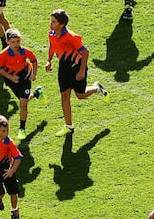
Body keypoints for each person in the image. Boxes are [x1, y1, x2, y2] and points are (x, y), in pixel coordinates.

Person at [45, 9, 109, 137]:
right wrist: (49, 61)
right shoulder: (51, 34)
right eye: (51, 21)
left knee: (80, 95)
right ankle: (69, 126)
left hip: (76, 68)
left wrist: (81, 71)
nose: (50, 24)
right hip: (63, 68)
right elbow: (52, 47)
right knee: (64, 95)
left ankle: (96, 88)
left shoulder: (71, 37)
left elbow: (85, 52)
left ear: (62, 24)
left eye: (53, 22)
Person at [0, 28, 46, 140]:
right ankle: (37, 93)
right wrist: (11, 77)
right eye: (13, 42)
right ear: (7, 42)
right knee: (24, 99)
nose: (16, 44)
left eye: (18, 41)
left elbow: (34, 60)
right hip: (11, 78)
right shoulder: (2, 55)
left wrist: (33, 74)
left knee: (23, 103)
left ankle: (22, 128)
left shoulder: (25, 51)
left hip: (24, 76)